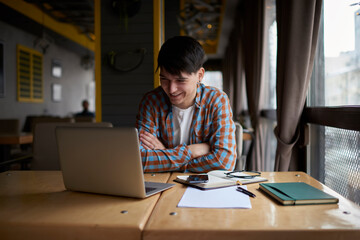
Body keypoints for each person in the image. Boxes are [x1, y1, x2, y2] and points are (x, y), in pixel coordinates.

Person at [135, 36, 236, 173]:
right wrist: (191, 151)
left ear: (200, 75)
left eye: (180, 81)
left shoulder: (217, 100)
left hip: (204, 188)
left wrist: (165, 154)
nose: (171, 89)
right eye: (164, 79)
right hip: (164, 186)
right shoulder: (151, 101)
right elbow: (140, 161)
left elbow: (224, 162)